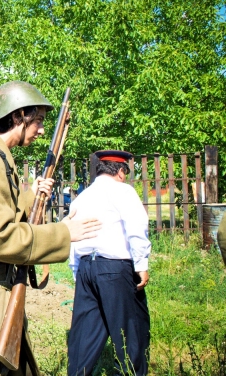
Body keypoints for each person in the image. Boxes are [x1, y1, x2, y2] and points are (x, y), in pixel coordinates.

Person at [0, 80, 101, 376]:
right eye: (38, 121)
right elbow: (0, 237)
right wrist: (64, 233)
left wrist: (31, 196)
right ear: (17, 117)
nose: (41, 130)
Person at [67, 150, 151, 376]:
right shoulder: (123, 191)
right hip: (114, 268)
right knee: (131, 329)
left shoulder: (83, 197)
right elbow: (136, 227)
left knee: (86, 332)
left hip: (86, 268)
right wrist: (141, 264)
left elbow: (73, 235)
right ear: (121, 172)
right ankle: (130, 372)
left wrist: (77, 271)